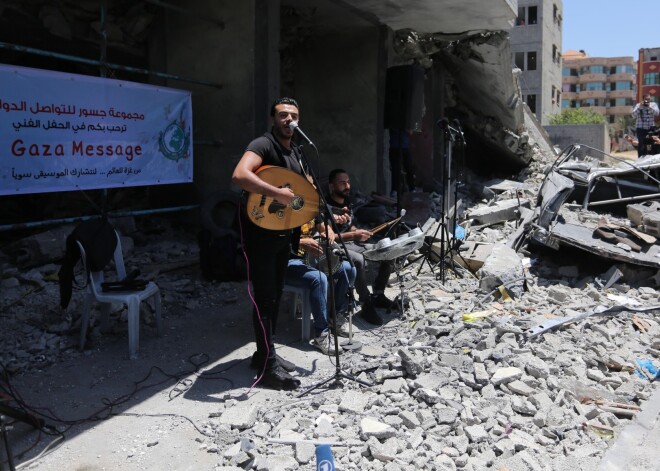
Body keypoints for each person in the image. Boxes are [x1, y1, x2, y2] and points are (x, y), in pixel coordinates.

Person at [231, 97, 305, 391]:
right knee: (265, 297)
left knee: (274, 294)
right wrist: (275, 192)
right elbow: (240, 175)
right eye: (283, 115)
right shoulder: (262, 144)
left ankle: (263, 353)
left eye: (294, 115)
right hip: (259, 233)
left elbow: (298, 193)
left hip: (282, 232)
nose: (289, 119)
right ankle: (267, 368)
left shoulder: (297, 152)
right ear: (273, 119)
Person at [326, 168, 395, 327]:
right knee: (358, 260)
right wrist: (354, 236)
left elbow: (350, 227)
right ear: (332, 186)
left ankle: (378, 294)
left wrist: (357, 231)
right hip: (336, 246)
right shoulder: (326, 207)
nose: (347, 186)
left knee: (388, 250)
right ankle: (366, 303)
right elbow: (329, 237)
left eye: (348, 181)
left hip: (353, 242)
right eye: (342, 183)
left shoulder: (348, 202)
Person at [285, 219, 356, 354]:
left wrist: (329, 232)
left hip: (312, 257)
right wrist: (300, 242)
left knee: (349, 269)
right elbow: (274, 239)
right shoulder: (286, 210)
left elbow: (324, 227)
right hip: (289, 260)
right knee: (319, 278)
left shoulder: (311, 207)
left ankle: (336, 318)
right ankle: (321, 334)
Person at [388, 128, 415, 197]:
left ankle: (412, 189)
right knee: (395, 169)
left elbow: (411, 132)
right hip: (394, 147)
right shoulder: (392, 120)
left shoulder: (406, 120)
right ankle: (395, 190)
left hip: (404, 147)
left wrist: (405, 128)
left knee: (409, 168)